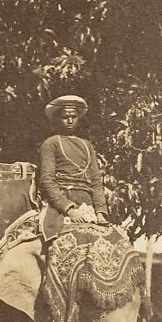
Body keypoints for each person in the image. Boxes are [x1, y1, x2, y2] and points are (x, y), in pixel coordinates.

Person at [37, 94, 110, 241]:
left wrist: (100, 211)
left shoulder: (87, 145)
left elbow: (96, 182)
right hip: (60, 202)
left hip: (86, 202)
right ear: (57, 119)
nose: (70, 120)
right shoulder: (51, 143)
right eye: (65, 117)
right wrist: (69, 210)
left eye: (74, 116)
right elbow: (47, 180)